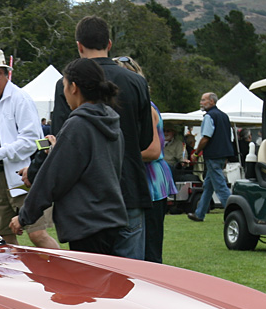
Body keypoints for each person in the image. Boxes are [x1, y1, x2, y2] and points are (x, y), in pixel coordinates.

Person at [49, 17, 153, 259]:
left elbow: (63, 143)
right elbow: (145, 138)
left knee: (91, 284)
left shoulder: (67, 84)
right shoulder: (136, 81)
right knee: (130, 279)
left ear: (79, 46)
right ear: (109, 43)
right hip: (129, 189)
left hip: (89, 199)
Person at [10, 58, 126, 255]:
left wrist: (24, 216)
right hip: (110, 219)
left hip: (87, 224)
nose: (63, 93)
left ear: (73, 87)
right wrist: (59, 150)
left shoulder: (78, 125)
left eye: (64, 86)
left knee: (88, 284)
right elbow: (95, 169)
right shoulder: (111, 123)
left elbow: (53, 178)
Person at [0, 47, 57, 249]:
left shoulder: (20, 98)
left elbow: (31, 140)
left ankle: (68, 273)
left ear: (1, 72)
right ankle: (19, 278)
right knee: (5, 236)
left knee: (37, 234)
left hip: (23, 175)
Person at [115, 55, 176, 264]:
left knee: (149, 249)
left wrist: (115, 156)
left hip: (151, 183)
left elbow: (153, 151)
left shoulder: (147, 108)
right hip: (145, 180)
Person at [188, 92, 233, 222]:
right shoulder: (224, 116)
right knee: (208, 186)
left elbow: (206, 137)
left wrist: (196, 153)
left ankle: (233, 212)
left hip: (213, 155)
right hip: (222, 155)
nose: (201, 103)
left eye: (203, 100)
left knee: (220, 186)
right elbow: (228, 138)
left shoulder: (209, 116)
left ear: (212, 102)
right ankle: (199, 213)